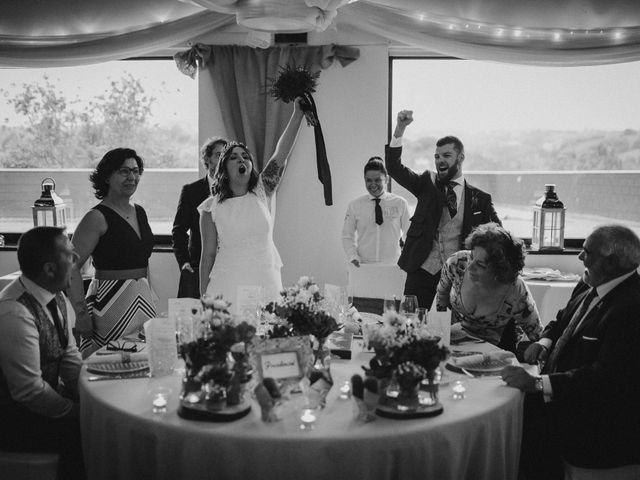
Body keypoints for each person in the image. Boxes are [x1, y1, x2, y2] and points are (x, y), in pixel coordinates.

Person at [501, 225, 640, 479]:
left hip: (595, 422)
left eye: (586, 252)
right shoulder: (590, 283)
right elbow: (561, 320)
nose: (579, 257)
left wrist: (539, 384)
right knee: (505, 408)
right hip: (566, 396)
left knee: (512, 430)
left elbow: (605, 378)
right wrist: (543, 343)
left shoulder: (631, 309)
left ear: (611, 262)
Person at [385, 109, 501, 309]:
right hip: (421, 272)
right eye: (437, 156)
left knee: (451, 332)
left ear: (461, 157)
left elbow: (499, 236)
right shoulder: (426, 184)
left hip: (459, 278)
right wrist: (400, 129)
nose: (440, 161)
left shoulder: (480, 199)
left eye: (446, 155)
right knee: (412, 326)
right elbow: (394, 168)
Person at [199, 98, 306, 310]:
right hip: (227, 281)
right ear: (223, 168)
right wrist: (203, 294)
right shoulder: (210, 207)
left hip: (265, 278)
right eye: (234, 158)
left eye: (245, 156)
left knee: (268, 334)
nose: (241, 160)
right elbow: (208, 254)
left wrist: (297, 115)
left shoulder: (262, 191)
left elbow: (280, 154)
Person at [0, 227, 85, 480]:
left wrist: (91, 398)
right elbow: (30, 392)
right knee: (90, 435)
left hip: (40, 409)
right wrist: (76, 411)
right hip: (13, 421)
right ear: (49, 269)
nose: (78, 259)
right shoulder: (14, 311)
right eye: (70, 254)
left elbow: (70, 359)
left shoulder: (56, 295)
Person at [68, 148, 156, 357]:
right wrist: (81, 315)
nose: (132, 177)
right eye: (124, 172)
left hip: (143, 299)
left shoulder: (140, 211)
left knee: (143, 361)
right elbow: (70, 267)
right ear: (107, 176)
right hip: (109, 301)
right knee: (110, 362)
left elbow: (142, 259)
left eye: (135, 171)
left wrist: (150, 294)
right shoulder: (95, 217)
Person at [436, 223, 542, 354]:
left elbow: (536, 334)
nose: (470, 267)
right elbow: (441, 295)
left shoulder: (515, 289)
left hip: (493, 352)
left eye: (480, 264)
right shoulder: (457, 263)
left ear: (500, 271)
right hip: (453, 344)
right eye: (472, 257)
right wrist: (442, 335)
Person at [172, 136, 228, 298]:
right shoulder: (191, 191)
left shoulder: (236, 192)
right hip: (197, 266)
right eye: (219, 155)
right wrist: (184, 263)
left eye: (226, 155)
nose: (223, 159)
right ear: (207, 159)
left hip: (226, 265)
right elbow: (178, 230)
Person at [342, 156, 410, 266]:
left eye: (377, 180)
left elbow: (409, 234)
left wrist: (406, 258)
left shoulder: (400, 203)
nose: (373, 184)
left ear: (386, 179)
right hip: (363, 266)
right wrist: (353, 256)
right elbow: (347, 236)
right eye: (369, 180)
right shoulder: (354, 206)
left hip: (393, 266)